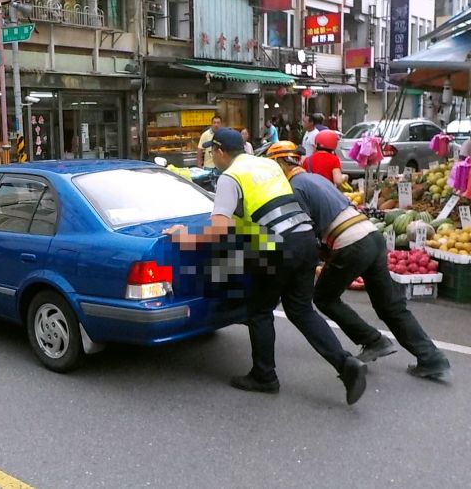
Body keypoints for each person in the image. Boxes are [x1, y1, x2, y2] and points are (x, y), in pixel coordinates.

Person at [165, 128, 367, 405]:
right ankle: (346, 365)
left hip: (276, 246)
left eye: (213, 152)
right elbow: (261, 210)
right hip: (306, 239)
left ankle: (264, 376)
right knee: (301, 310)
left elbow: (219, 231)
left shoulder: (229, 177)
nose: (213, 157)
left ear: (220, 152)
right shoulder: (268, 165)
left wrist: (183, 237)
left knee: (260, 311)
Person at [266, 141, 452, 380]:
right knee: (390, 306)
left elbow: (305, 232)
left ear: (279, 164)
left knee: (323, 298)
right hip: (372, 237)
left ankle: (372, 340)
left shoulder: (293, 187)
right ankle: (432, 357)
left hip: (351, 243)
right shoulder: (316, 179)